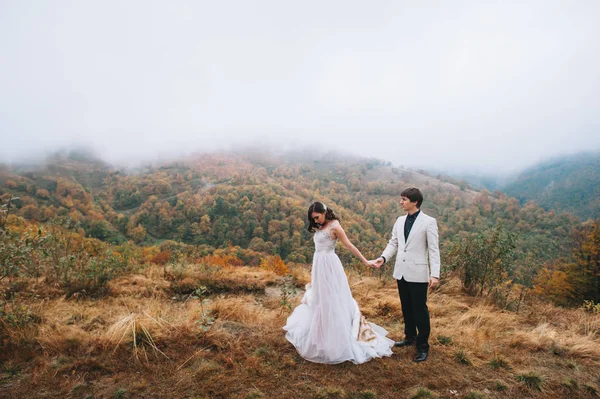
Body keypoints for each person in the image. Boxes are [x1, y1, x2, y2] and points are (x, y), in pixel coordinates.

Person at [283, 201, 394, 364]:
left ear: (324, 212)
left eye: (317, 217)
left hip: (329, 267)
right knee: (320, 300)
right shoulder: (321, 226)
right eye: (313, 219)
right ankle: (321, 336)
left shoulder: (335, 227)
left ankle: (337, 340)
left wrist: (365, 261)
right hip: (319, 266)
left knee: (332, 300)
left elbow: (349, 245)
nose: (315, 221)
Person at [372, 188, 440, 362]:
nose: (401, 202)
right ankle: (410, 337)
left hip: (418, 273)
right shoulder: (400, 220)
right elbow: (393, 243)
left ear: (414, 202)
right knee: (406, 307)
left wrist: (435, 274)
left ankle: (423, 346)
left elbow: (433, 250)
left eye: (404, 199)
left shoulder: (429, 222)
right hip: (401, 272)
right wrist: (383, 258)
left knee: (420, 310)